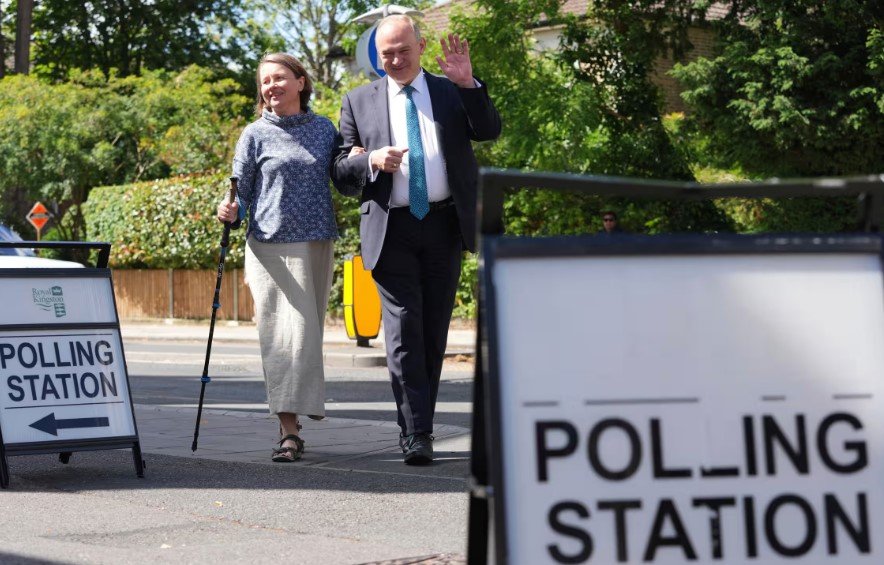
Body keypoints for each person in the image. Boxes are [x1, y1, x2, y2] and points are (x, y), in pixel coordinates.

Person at [333, 15, 502, 465]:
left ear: (421, 46)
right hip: (392, 228)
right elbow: (340, 173)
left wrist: (469, 84)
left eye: (403, 50)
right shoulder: (358, 101)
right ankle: (416, 432)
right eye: (386, 53)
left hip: (446, 225)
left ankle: (419, 425)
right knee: (405, 326)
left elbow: (489, 130)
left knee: (433, 330)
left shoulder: (450, 91)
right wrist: (370, 160)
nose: (395, 60)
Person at [216, 53, 357, 462]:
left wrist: (361, 160)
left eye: (279, 78)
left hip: (316, 242)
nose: (271, 87)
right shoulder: (254, 134)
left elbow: (345, 181)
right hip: (270, 247)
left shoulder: (324, 129)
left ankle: (299, 413)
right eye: (264, 82)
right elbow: (238, 193)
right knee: (281, 338)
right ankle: (289, 431)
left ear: (300, 82)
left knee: (307, 337)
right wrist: (227, 210)